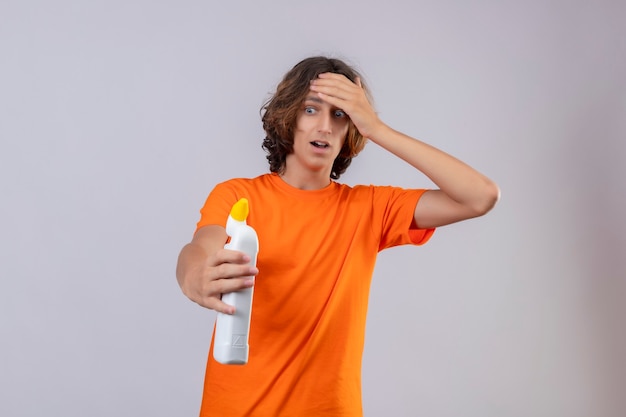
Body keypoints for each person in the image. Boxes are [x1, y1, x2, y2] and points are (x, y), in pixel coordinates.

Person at [176, 56, 499, 416]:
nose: (325, 126)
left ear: (351, 130)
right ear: (289, 117)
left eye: (340, 114)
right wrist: (194, 276)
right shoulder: (238, 195)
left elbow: (480, 196)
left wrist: (377, 129)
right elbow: (200, 247)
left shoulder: (370, 208)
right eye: (312, 110)